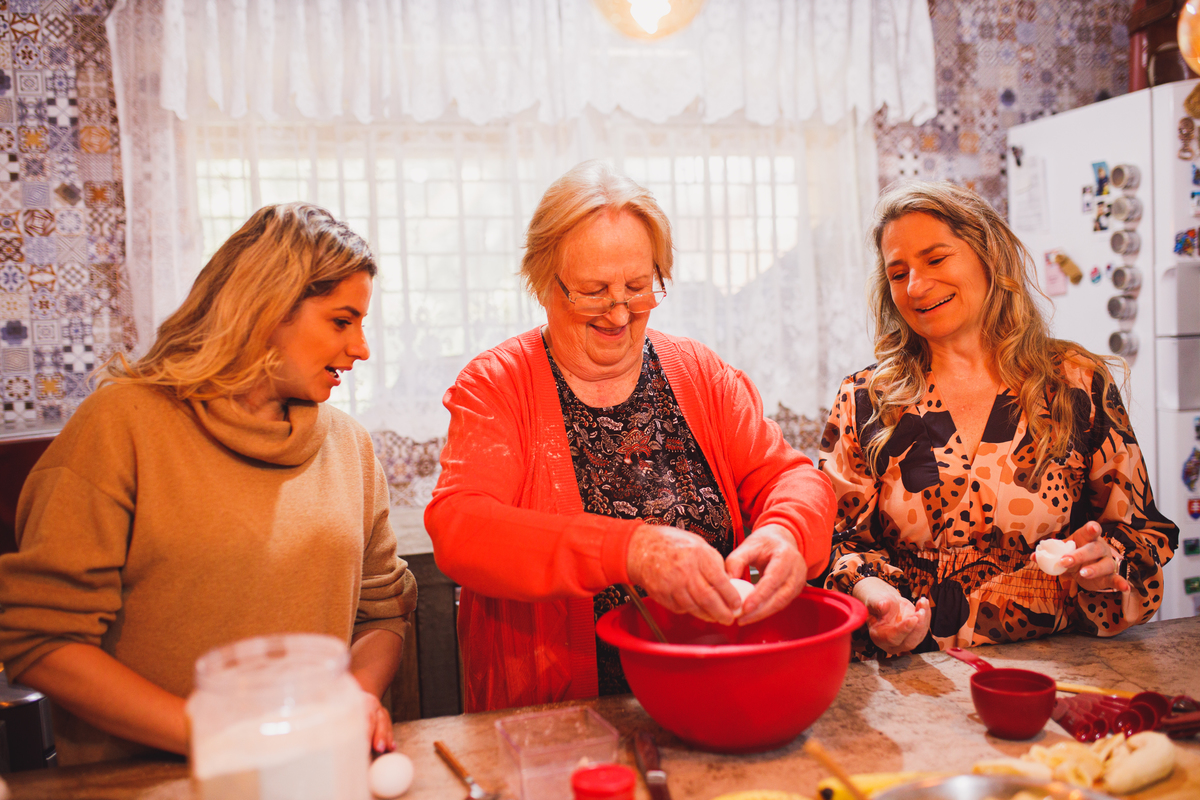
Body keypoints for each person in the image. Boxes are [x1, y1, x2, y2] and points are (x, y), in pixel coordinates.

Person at [0, 203, 417, 764]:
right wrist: (221, 739)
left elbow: (384, 612)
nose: (361, 347)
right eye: (342, 321)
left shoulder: (349, 447)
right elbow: (42, 640)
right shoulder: (120, 425)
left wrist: (356, 698)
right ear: (266, 308)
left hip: (309, 773)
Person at [425, 161, 835, 712]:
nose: (620, 312)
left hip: (711, 698)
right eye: (594, 291)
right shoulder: (497, 385)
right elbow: (461, 528)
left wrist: (786, 533)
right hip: (556, 722)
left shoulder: (698, 371)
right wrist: (631, 549)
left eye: (638, 288)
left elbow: (789, 476)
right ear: (544, 282)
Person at [818, 181, 1177, 660]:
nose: (916, 287)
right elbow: (835, 544)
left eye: (936, 259)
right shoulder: (866, 399)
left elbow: (1143, 533)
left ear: (988, 254)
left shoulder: (1074, 385)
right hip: (915, 674)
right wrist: (877, 599)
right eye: (898, 273)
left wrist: (1107, 562)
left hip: (1058, 670)